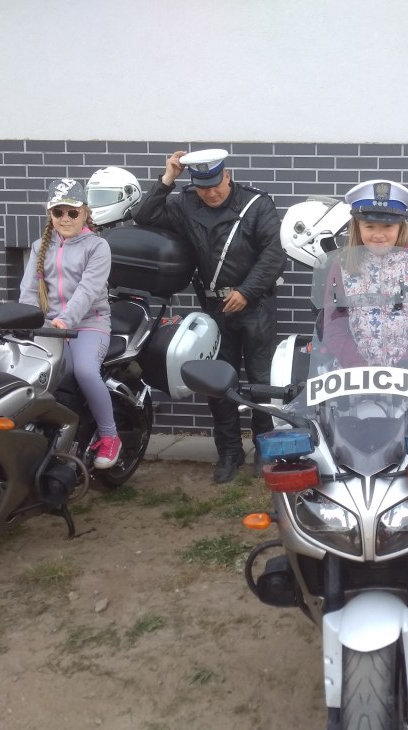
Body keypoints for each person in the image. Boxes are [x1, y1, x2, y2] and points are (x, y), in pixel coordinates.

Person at [134, 148, 286, 483]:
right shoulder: (185, 203)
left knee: (261, 379)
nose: (211, 193)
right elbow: (144, 216)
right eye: (203, 187)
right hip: (215, 308)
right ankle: (229, 452)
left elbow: (274, 254)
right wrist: (168, 179)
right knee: (217, 383)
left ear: (227, 176)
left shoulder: (257, 204)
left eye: (216, 184)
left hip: (255, 304)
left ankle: (265, 446)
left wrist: (246, 291)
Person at [19, 178, 121, 469]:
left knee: (85, 371)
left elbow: (88, 290)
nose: (65, 218)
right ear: (50, 214)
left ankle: (110, 436)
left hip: (89, 323)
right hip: (48, 326)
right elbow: (28, 291)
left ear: (85, 213)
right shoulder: (39, 247)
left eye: (72, 212)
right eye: (58, 212)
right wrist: (26, 320)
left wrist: (65, 321)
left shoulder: (98, 247)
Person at [320, 179, 408, 367]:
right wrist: (356, 362)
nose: (378, 235)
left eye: (388, 226)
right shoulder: (343, 266)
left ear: (401, 226)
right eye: (369, 226)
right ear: (357, 227)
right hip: (353, 374)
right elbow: (333, 326)